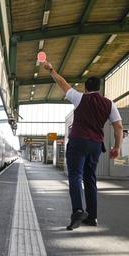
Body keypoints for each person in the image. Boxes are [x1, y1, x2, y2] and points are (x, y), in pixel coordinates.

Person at [42, 61, 123, 230]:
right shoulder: (109, 104)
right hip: (95, 145)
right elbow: (118, 127)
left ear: (86, 88)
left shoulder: (79, 97)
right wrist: (117, 147)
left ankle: (78, 210)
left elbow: (62, 83)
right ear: (99, 89)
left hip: (78, 142)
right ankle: (92, 217)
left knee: (75, 176)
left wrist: (51, 70)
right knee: (90, 179)